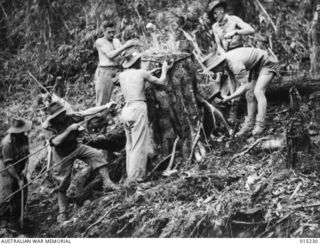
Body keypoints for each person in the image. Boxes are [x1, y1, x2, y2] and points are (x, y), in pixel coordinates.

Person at [43, 101, 118, 223]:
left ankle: (107, 182)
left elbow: (86, 112)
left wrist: (105, 106)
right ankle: (63, 212)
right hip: (62, 154)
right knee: (62, 183)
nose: (63, 115)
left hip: (76, 146)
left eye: (63, 113)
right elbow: (55, 142)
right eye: (60, 115)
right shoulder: (48, 127)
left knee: (97, 155)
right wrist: (69, 130)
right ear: (54, 117)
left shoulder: (69, 117)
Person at [118, 49, 171, 183]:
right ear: (137, 62)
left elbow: (135, 81)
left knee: (130, 145)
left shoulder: (122, 75)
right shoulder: (141, 73)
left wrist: (148, 75)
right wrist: (164, 69)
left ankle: (130, 177)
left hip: (126, 110)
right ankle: (136, 179)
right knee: (139, 144)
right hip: (138, 108)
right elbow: (162, 82)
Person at [207, 47, 279, 136]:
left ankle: (260, 124)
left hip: (267, 61)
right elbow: (233, 80)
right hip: (255, 66)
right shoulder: (226, 64)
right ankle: (249, 124)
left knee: (258, 91)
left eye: (214, 69)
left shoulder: (234, 64)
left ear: (218, 64)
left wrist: (229, 97)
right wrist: (231, 98)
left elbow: (246, 86)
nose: (214, 72)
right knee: (249, 95)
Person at [208, 0, 255, 123]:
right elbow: (218, 45)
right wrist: (223, 54)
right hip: (226, 56)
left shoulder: (233, 19)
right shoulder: (215, 27)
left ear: (221, 10)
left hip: (239, 54)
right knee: (232, 82)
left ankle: (247, 113)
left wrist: (236, 32)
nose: (214, 16)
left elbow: (251, 30)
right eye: (213, 14)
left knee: (242, 81)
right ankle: (234, 111)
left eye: (215, 13)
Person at [94, 21, 139, 106]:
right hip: (105, 73)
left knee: (132, 87)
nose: (111, 34)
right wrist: (126, 45)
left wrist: (134, 52)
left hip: (117, 71)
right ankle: (100, 117)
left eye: (113, 32)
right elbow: (111, 55)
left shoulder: (116, 41)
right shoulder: (99, 41)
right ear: (103, 32)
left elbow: (122, 54)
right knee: (102, 102)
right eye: (109, 32)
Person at [0, 118, 32, 223]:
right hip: (6, 169)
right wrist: (18, 179)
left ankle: (18, 217)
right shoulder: (7, 144)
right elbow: (8, 164)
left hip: (20, 167)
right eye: (21, 131)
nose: (23, 133)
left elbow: (26, 155)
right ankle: (4, 222)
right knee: (8, 192)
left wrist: (25, 170)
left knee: (23, 190)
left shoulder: (24, 138)